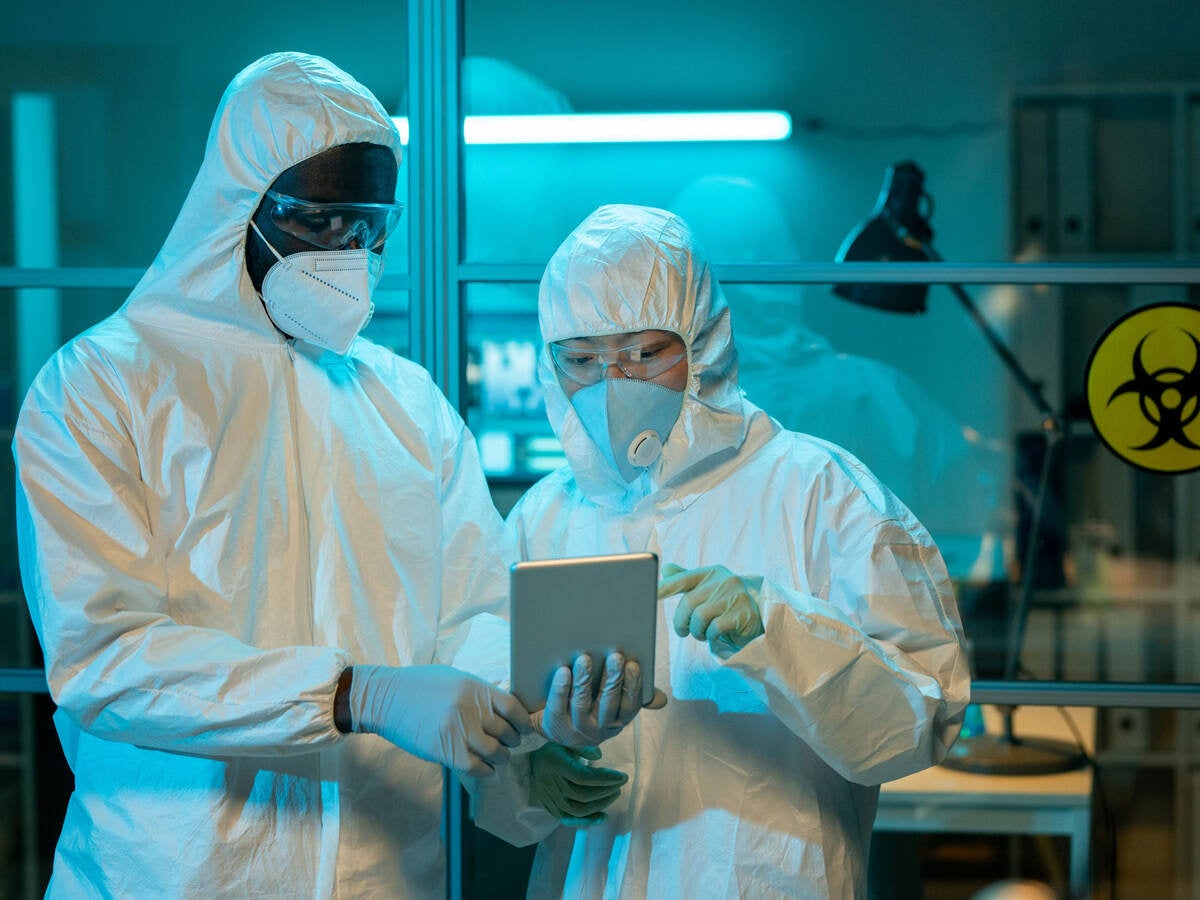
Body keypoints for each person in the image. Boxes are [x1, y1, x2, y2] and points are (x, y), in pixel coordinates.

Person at [13, 52, 642, 898]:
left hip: (384, 873)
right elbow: (108, 660)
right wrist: (357, 694)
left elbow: (474, 611)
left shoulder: (405, 404)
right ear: (238, 207)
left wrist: (527, 715)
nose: (348, 253)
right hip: (170, 876)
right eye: (318, 223)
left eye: (369, 228)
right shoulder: (104, 386)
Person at [479, 204, 971, 898]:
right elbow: (488, 711)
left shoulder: (824, 494)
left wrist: (780, 631)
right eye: (582, 359)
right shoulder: (546, 515)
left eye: (645, 353)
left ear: (704, 339)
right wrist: (532, 770)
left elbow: (920, 726)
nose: (612, 385)